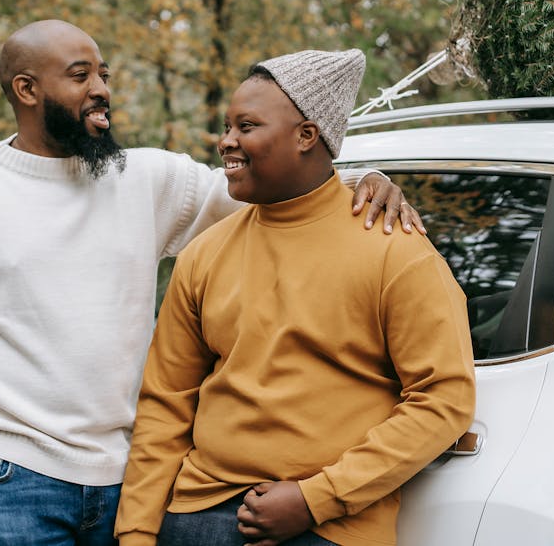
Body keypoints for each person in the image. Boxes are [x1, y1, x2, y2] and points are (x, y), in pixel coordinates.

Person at [0, 20, 424, 546]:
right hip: (9, 478)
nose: (101, 90)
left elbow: (274, 187)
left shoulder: (144, 178)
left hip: (130, 479)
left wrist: (362, 181)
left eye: (104, 74)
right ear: (26, 89)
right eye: (80, 76)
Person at [114, 49, 476, 546]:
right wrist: (136, 532)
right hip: (193, 517)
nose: (226, 142)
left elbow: (444, 400)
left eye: (247, 126)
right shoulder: (204, 254)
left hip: (326, 527)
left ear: (307, 135)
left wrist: (315, 500)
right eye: (227, 126)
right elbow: (166, 404)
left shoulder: (396, 251)